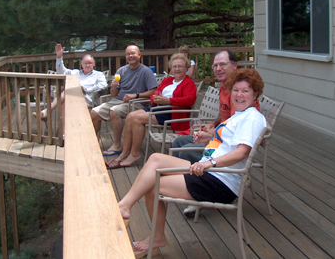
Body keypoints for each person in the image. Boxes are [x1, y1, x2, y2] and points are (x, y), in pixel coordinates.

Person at [118, 68, 266, 258]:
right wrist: (209, 136)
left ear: (255, 94)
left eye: (245, 91)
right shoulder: (240, 114)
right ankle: (124, 205)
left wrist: (209, 163)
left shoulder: (252, 118)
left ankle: (154, 236)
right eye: (236, 90)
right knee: (155, 159)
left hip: (220, 182)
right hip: (209, 172)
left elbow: (241, 152)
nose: (239, 95)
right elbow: (231, 140)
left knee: (152, 185)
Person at [172, 49, 261, 217]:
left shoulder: (241, 98)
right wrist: (213, 123)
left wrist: (213, 135)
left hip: (225, 146)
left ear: (234, 65)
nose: (218, 69)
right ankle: (190, 186)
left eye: (223, 65)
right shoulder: (224, 88)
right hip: (218, 136)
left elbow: (235, 131)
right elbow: (226, 116)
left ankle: (199, 192)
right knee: (179, 142)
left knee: (185, 150)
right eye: (215, 65)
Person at [105, 53, 197, 168]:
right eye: (174, 66)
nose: (177, 69)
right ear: (171, 68)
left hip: (173, 113)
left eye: (180, 66)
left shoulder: (188, 83)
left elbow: (190, 100)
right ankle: (125, 152)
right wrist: (157, 99)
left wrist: (168, 101)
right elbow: (154, 94)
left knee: (137, 119)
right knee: (130, 116)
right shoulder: (168, 80)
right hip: (159, 108)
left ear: (186, 68)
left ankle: (134, 154)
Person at [91, 45, 158, 156]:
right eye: (128, 54)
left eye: (133, 53)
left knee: (114, 111)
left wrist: (135, 95)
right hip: (119, 101)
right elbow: (114, 94)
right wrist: (113, 86)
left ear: (139, 55)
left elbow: (153, 92)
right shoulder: (121, 71)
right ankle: (93, 143)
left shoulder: (146, 71)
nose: (130, 56)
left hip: (138, 103)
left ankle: (117, 145)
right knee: (94, 112)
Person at [32, 43, 107, 124]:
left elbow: (103, 85)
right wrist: (59, 57)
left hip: (87, 99)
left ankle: (46, 112)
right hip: (72, 97)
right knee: (65, 100)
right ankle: (65, 134)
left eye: (90, 63)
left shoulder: (98, 74)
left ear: (94, 64)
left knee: (66, 93)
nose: (87, 65)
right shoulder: (75, 72)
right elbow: (61, 71)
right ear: (81, 64)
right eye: (85, 63)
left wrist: (87, 90)